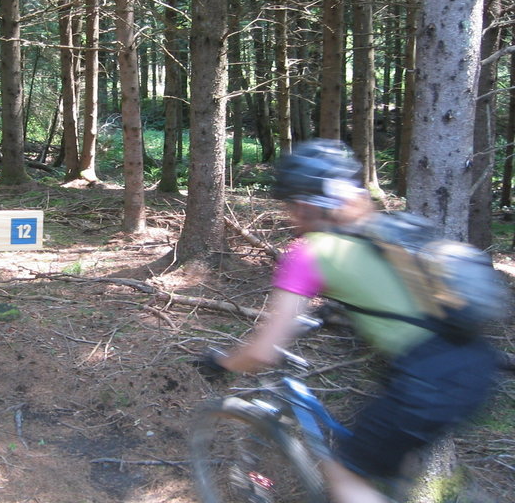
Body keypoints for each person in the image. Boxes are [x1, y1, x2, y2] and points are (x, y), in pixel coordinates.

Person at [206, 139, 499, 503]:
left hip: (425, 383)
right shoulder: (385, 229)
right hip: (474, 364)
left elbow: (263, 352)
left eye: (288, 204)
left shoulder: (308, 253)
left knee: (344, 475)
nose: (288, 214)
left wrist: (222, 363)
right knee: (387, 465)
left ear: (302, 203)